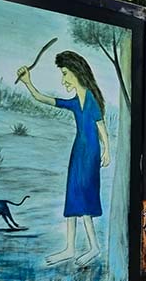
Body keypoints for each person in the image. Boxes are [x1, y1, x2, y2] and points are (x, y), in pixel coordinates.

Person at [17, 51, 110, 266]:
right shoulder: (75, 102)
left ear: (76, 73)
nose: (63, 79)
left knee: (85, 198)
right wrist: (28, 83)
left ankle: (93, 247)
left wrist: (107, 149)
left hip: (90, 153)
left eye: (66, 73)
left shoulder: (90, 100)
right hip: (78, 151)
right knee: (73, 197)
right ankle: (70, 247)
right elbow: (42, 98)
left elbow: (100, 126)